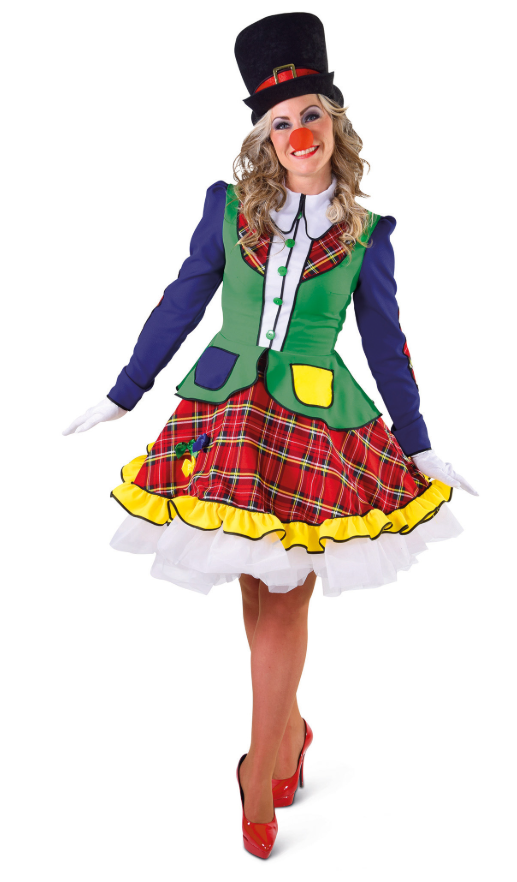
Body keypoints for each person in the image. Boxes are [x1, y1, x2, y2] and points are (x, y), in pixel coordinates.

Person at [63, 12, 478, 859]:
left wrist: (418, 441)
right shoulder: (228, 210)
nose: (297, 135)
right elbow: (181, 300)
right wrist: (123, 392)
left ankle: (260, 773)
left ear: (335, 122)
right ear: (264, 136)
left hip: (313, 425)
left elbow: (386, 343)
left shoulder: (366, 235)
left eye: (310, 115)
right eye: (280, 122)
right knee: (260, 591)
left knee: (283, 594)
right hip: (224, 415)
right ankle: (288, 736)